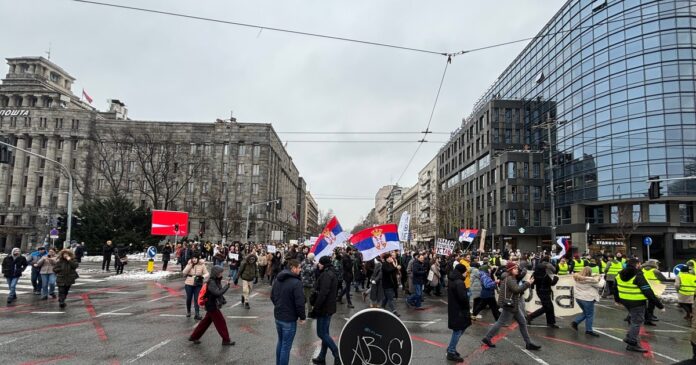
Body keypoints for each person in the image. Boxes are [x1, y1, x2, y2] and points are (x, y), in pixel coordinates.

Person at [482, 262, 540, 351]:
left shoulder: (510, 278)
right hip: (510, 305)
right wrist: (527, 283)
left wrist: (527, 283)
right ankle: (487, 337)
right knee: (500, 322)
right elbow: (516, 290)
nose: (517, 270)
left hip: (513, 305)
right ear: (510, 270)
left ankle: (528, 343)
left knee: (522, 322)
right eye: (515, 269)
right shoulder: (509, 279)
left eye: (517, 268)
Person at [613, 258, 664, 353]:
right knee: (637, 322)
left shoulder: (619, 274)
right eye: (639, 264)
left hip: (625, 300)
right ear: (637, 265)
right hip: (637, 302)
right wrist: (660, 305)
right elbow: (647, 291)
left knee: (634, 320)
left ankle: (629, 336)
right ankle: (632, 342)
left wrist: (617, 300)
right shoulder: (638, 275)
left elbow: (614, 288)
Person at [188, 266, 235, 346]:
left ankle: (194, 337)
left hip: (211, 304)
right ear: (216, 273)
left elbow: (218, 293)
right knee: (221, 323)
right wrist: (227, 286)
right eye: (220, 272)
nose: (221, 274)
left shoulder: (216, 280)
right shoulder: (212, 282)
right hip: (211, 305)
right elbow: (217, 293)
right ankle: (226, 340)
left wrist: (222, 300)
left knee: (205, 323)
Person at [271, 259, 306, 365]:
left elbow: (273, 296)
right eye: (299, 267)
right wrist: (302, 317)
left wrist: (278, 306)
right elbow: (300, 302)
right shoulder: (296, 282)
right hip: (289, 319)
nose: (300, 269)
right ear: (293, 268)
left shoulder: (278, 279)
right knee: (285, 346)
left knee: (281, 342)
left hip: (279, 316)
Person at [309, 256, 339, 365]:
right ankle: (322, 356)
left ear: (324, 264)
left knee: (321, 333)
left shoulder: (327, 275)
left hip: (324, 308)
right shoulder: (331, 272)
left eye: (320, 263)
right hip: (328, 307)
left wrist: (316, 308)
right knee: (325, 333)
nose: (318, 265)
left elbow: (323, 293)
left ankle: (336, 353)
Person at [446, 264, 471, 362]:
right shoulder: (459, 282)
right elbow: (463, 298)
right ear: (462, 272)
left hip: (454, 308)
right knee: (458, 331)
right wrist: (468, 294)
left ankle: (451, 348)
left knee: (459, 329)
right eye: (465, 272)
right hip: (459, 310)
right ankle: (451, 351)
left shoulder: (452, 279)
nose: (466, 274)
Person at [527, 255, 559, 328]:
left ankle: (550, 322)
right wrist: (556, 278)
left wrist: (532, 286)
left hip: (539, 290)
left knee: (548, 306)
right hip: (545, 291)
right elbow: (552, 283)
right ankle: (530, 316)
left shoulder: (536, 271)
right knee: (547, 307)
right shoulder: (546, 273)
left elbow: (532, 279)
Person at [572, 266, 605, 337]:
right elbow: (600, 285)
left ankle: (575, 322)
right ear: (589, 272)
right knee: (589, 315)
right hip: (587, 299)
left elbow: (588, 277)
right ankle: (589, 330)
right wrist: (602, 278)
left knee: (586, 313)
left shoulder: (577, 277)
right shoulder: (590, 280)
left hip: (578, 298)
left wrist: (595, 275)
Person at [183, 254, 209, 319]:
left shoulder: (202, 265)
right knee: (189, 298)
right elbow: (184, 272)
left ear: (198, 258)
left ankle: (197, 314)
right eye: (193, 258)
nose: (194, 259)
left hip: (198, 284)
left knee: (197, 299)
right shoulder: (189, 264)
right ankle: (188, 311)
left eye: (195, 258)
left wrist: (202, 277)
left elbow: (207, 273)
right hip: (189, 283)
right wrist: (190, 265)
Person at [642, 259, 668, 324]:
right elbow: (663, 278)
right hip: (654, 288)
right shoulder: (655, 271)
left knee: (644, 303)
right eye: (657, 263)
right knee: (652, 303)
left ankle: (647, 315)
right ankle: (650, 315)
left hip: (645, 288)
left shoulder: (642, 269)